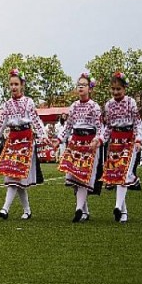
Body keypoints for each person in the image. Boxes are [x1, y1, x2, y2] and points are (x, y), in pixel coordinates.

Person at [0, 69, 50, 220]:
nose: (13, 87)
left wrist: (43, 136)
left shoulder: (28, 102)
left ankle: (5, 208)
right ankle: (27, 211)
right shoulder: (7, 105)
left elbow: (36, 121)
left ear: (22, 85)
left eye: (16, 84)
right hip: (12, 141)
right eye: (11, 84)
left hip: (25, 141)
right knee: (15, 177)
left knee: (16, 177)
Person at [56, 73, 103, 222]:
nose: (80, 87)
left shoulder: (95, 107)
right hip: (75, 143)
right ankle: (84, 211)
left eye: (84, 84)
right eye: (79, 85)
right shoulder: (74, 106)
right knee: (74, 177)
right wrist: (58, 140)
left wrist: (97, 140)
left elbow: (100, 127)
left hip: (89, 144)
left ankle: (78, 209)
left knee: (83, 177)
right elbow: (68, 127)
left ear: (90, 88)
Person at [100, 72, 142, 223]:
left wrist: (138, 139)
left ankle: (118, 206)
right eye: (113, 89)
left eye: (119, 89)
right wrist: (100, 140)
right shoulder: (109, 105)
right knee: (117, 175)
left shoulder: (131, 103)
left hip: (129, 140)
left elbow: (137, 123)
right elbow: (108, 127)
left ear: (125, 88)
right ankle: (123, 212)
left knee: (124, 173)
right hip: (115, 142)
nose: (116, 92)